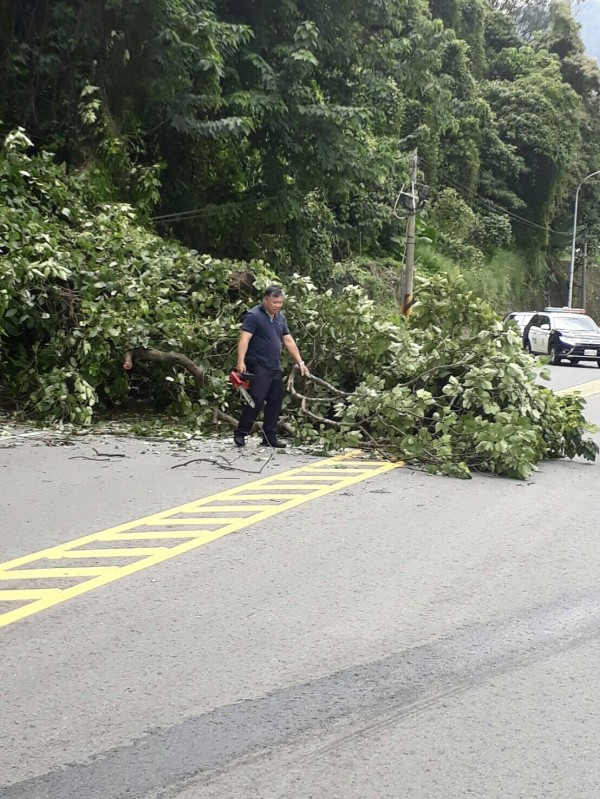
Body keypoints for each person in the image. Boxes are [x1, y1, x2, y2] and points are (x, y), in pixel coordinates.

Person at [234, 285, 310, 448]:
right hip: (258, 364)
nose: (277, 305)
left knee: (275, 401)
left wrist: (300, 362)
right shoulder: (254, 315)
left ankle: (269, 437)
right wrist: (240, 361)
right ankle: (241, 433)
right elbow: (244, 339)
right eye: (275, 302)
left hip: (274, 365)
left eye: (280, 303)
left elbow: (288, 341)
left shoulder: (280, 318)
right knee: (256, 399)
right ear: (265, 300)